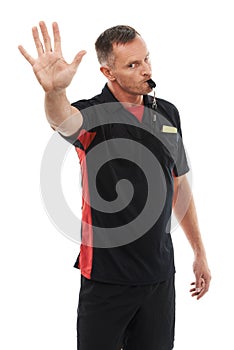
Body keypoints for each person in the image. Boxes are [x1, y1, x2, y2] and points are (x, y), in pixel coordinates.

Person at [18, 21, 211, 350]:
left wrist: (199, 253)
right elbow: (62, 120)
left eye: (146, 59)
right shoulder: (93, 115)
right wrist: (55, 92)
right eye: (133, 65)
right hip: (107, 281)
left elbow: (179, 186)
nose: (145, 69)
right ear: (108, 72)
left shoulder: (167, 114)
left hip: (160, 277)